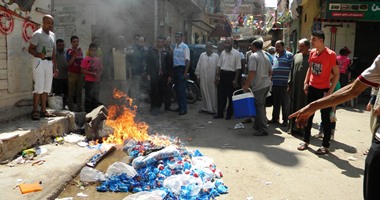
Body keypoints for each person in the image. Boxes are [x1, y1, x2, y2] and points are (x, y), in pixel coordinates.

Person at [289, 54, 380, 200]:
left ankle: (326, 143)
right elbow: (354, 87)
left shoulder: (330, 56)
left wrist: (316, 104)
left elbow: (351, 89)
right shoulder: (313, 56)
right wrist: (314, 105)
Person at [295, 30, 340, 155]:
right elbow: (310, 68)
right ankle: (306, 141)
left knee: (325, 118)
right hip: (312, 88)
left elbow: (336, 75)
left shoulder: (331, 54)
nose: (311, 41)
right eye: (311, 39)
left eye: (314, 39)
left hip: (324, 90)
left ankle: (325, 145)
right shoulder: (312, 53)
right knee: (308, 115)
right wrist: (306, 82)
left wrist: (329, 92)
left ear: (321, 41)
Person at [28, 14, 57, 120]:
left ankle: (43, 111)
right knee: (39, 88)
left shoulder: (53, 35)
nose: (50, 25)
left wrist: (55, 66)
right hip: (39, 61)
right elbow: (30, 49)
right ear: (43, 22)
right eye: (48, 22)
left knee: (46, 88)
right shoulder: (37, 34)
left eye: (52, 23)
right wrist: (38, 54)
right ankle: (35, 111)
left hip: (49, 63)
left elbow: (53, 52)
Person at [242, 39, 272, 136]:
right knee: (261, 106)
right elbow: (271, 72)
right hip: (266, 84)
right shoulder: (266, 56)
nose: (250, 48)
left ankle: (263, 129)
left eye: (251, 46)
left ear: (254, 47)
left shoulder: (253, 56)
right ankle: (258, 125)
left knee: (259, 107)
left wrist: (246, 84)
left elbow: (252, 72)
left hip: (259, 86)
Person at [214, 37, 241, 120]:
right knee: (221, 95)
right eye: (225, 43)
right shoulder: (222, 53)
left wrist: (235, 80)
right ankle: (220, 113)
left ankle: (229, 114)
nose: (226, 45)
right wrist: (217, 76)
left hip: (231, 76)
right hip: (223, 75)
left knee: (230, 96)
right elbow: (219, 65)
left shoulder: (236, 53)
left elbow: (238, 68)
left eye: (228, 43)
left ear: (232, 44)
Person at [287, 38, 310, 135]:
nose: (300, 48)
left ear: (308, 47)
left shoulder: (311, 57)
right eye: (299, 46)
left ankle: (303, 129)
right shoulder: (296, 56)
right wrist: (290, 84)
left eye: (302, 46)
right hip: (295, 87)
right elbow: (291, 71)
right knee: (293, 106)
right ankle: (292, 128)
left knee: (305, 108)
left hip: (305, 89)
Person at [269, 40, 293, 127]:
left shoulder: (289, 55)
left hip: (285, 84)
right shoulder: (275, 55)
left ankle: (285, 120)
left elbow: (292, 69)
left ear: (283, 47)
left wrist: (290, 83)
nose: (277, 48)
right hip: (275, 83)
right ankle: (275, 118)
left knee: (285, 103)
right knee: (275, 102)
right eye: (276, 46)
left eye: (279, 46)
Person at [146, 35, 171, 116]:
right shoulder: (151, 51)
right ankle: (153, 108)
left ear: (163, 42)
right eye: (158, 42)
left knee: (161, 91)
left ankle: (158, 107)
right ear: (156, 42)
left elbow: (169, 65)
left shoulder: (166, 52)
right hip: (154, 75)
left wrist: (169, 76)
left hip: (163, 75)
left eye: (161, 42)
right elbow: (148, 64)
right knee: (154, 91)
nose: (160, 43)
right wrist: (148, 74)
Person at [195, 42, 219, 114]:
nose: (208, 48)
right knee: (203, 92)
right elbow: (198, 65)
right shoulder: (202, 55)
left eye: (209, 47)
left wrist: (217, 77)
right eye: (207, 47)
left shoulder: (216, 56)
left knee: (213, 93)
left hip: (212, 78)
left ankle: (213, 109)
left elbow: (218, 67)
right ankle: (205, 108)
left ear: (212, 48)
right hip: (203, 77)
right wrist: (198, 76)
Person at [81, 43, 103, 113]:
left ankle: (95, 113)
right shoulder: (86, 59)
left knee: (96, 98)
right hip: (89, 81)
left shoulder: (98, 59)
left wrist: (99, 75)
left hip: (97, 81)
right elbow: (82, 70)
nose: (93, 52)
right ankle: (88, 113)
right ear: (89, 50)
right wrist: (92, 74)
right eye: (92, 50)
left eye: (94, 50)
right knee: (88, 98)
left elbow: (101, 69)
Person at [172, 32, 190, 115]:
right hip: (175, 69)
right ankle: (179, 107)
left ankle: (184, 109)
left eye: (178, 37)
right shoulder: (175, 46)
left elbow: (187, 61)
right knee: (177, 90)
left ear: (182, 38)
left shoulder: (185, 47)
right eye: (175, 37)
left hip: (181, 69)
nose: (177, 38)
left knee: (182, 90)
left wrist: (185, 73)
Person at [126, 35, 146, 106]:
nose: (140, 43)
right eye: (139, 41)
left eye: (142, 42)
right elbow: (127, 60)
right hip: (131, 73)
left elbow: (144, 61)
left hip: (139, 73)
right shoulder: (132, 49)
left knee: (137, 90)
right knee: (130, 90)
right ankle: (129, 105)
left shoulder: (144, 50)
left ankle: (135, 106)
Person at [66, 36, 84, 112]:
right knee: (71, 92)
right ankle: (71, 107)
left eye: (77, 41)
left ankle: (79, 107)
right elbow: (69, 63)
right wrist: (75, 55)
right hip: (72, 74)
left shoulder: (80, 51)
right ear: (71, 43)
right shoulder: (69, 51)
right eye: (74, 41)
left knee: (79, 91)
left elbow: (82, 62)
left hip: (80, 73)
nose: (76, 43)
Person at [52, 39, 68, 108]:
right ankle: (58, 107)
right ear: (56, 46)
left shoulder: (66, 51)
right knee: (58, 94)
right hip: (57, 78)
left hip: (66, 77)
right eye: (59, 45)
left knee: (65, 94)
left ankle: (64, 106)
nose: (61, 46)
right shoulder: (54, 53)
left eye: (62, 45)